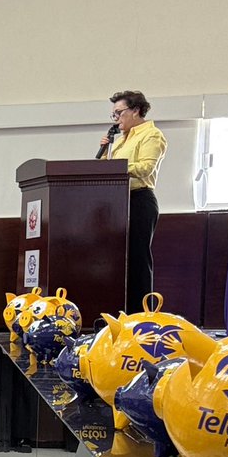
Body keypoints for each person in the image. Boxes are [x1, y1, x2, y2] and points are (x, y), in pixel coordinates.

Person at [101, 89, 167, 312]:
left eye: (119, 113)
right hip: (117, 203)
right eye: (114, 114)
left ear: (136, 110)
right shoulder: (120, 140)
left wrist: (115, 167)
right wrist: (105, 152)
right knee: (117, 262)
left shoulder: (152, 135)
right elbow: (105, 171)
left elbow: (146, 167)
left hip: (139, 200)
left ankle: (141, 315)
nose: (116, 119)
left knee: (137, 260)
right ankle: (119, 314)